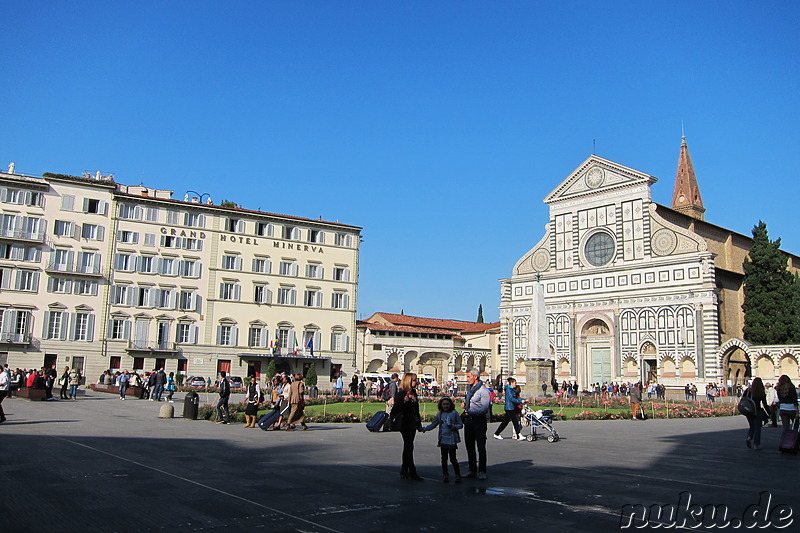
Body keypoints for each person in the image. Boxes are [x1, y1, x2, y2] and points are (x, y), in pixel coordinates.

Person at [423, 396, 463, 483]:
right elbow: (434, 424)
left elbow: (460, 424)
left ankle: (457, 474)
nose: (446, 406)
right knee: (444, 458)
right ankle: (445, 474)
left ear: (450, 405)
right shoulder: (440, 414)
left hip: (451, 439)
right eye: (444, 404)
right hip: (443, 439)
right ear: (441, 405)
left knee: (453, 458)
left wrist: (452, 426)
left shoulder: (454, 413)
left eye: (447, 404)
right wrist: (425, 429)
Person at [391, 373, 423, 481]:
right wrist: (405, 401)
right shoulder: (401, 394)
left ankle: (404, 470)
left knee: (408, 447)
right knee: (409, 446)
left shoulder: (414, 393)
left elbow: (416, 411)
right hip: (404, 423)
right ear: (409, 381)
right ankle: (412, 472)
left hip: (412, 423)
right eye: (414, 380)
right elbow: (395, 410)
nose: (416, 382)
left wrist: (419, 424)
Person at [461, 368, 491, 480]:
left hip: (479, 420)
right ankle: (472, 470)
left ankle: (482, 470)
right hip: (469, 420)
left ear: (475, 377)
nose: (467, 379)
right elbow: (470, 402)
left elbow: (484, 408)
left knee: (480, 446)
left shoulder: (483, 391)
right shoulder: (470, 389)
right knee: (469, 446)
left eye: (468, 376)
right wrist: (465, 405)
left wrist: (471, 412)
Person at [742, 377, 770, 450]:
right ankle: (756, 444)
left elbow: (743, 399)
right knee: (758, 428)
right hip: (757, 411)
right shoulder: (761, 392)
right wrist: (769, 413)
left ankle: (749, 437)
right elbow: (765, 404)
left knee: (752, 426)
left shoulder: (748, 391)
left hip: (749, 411)